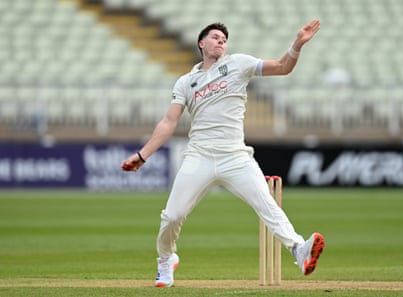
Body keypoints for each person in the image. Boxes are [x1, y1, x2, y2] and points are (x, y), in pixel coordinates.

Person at [121, 19, 324, 287]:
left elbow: (283, 67)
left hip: (235, 156)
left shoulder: (238, 64)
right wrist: (143, 155)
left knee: (267, 205)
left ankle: (299, 249)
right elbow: (169, 122)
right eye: (215, 37)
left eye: (224, 39)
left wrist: (297, 44)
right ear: (201, 43)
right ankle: (165, 260)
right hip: (199, 156)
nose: (221, 41)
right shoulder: (185, 82)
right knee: (172, 216)